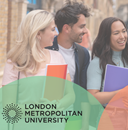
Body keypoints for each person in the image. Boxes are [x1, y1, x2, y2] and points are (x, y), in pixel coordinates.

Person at [2, 10, 74, 129]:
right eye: (52, 29)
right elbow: (8, 107)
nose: (56, 33)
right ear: (38, 33)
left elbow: (71, 95)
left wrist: (57, 105)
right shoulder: (15, 63)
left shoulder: (58, 57)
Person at [87, 17, 128, 129]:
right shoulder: (97, 63)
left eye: (124, 31)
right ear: (106, 37)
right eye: (116, 33)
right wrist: (122, 93)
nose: (122, 36)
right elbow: (92, 98)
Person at [45, 1, 91, 130]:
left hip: (73, 117)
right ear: (66, 28)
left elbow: (83, 92)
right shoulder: (45, 49)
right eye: (81, 26)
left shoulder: (83, 54)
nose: (85, 31)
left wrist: (85, 123)